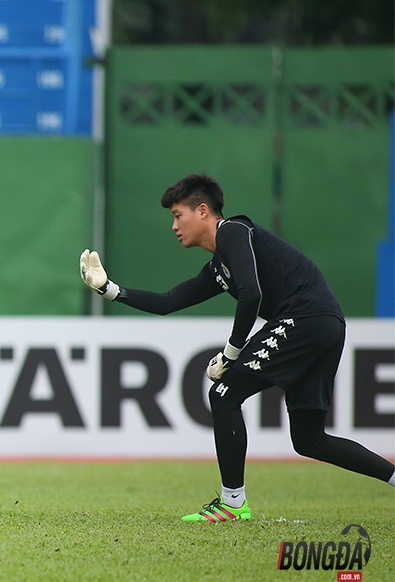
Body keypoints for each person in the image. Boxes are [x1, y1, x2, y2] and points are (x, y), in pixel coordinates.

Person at [79, 173, 395, 523]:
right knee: (309, 440)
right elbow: (168, 301)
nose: (174, 226)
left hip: (306, 318)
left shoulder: (233, 230)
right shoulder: (220, 266)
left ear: (202, 211)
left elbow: (252, 293)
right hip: (324, 324)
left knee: (224, 394)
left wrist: (231, 352)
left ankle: (232, 503)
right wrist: (109, 289)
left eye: (177, 215)